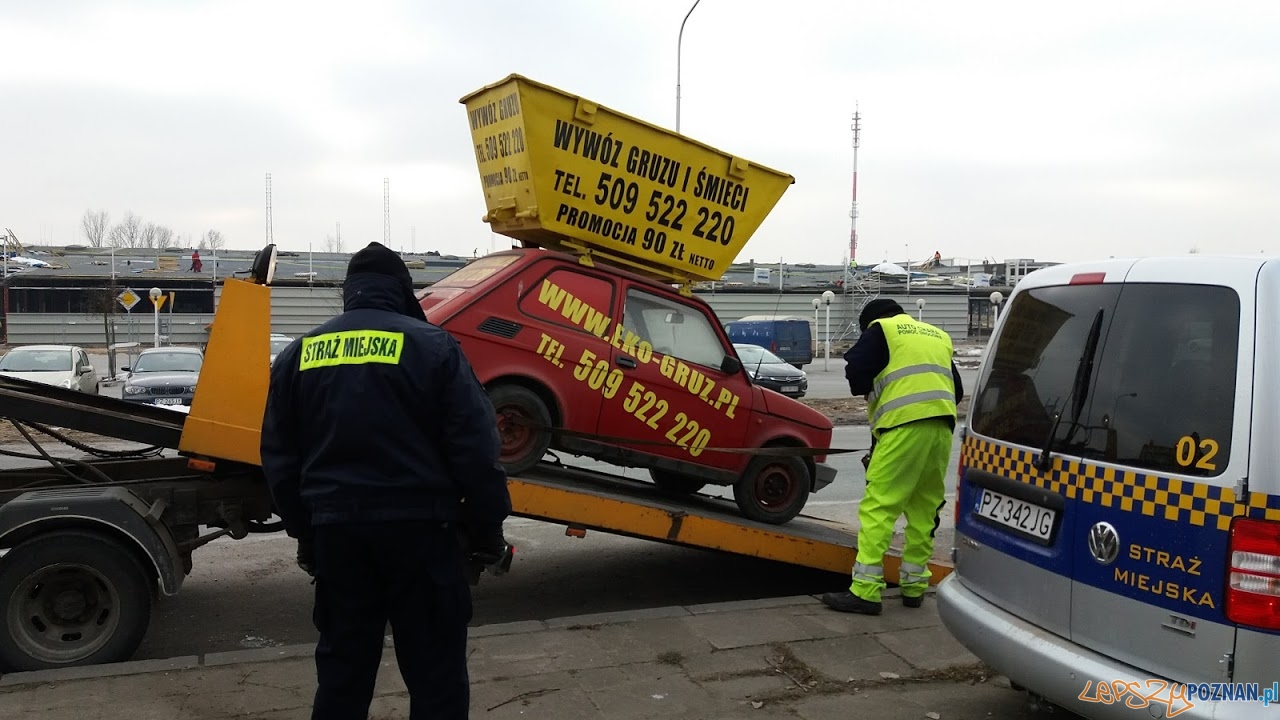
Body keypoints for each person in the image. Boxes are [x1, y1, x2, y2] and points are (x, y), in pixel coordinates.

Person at [261, 241, 511, 719]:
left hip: (339, 537)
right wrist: (487, 530)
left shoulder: (300, 355)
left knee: (342, 675)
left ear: (349, 293)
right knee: (436, 676)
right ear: (401, 291)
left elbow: (279, 458)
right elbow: (477, 452)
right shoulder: (433, 347)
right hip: (424, 537)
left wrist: (307, 534)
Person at [821, 299, 963, 615]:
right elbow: (958, 389)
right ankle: (914, 586)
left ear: (871, 321)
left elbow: (856, 368)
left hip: (902, 427)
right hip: (941, 428)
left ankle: (865, 591)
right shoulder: (937, 335)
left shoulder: (882, 328)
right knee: (925, 508)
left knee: (879, 506)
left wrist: (870, 387)